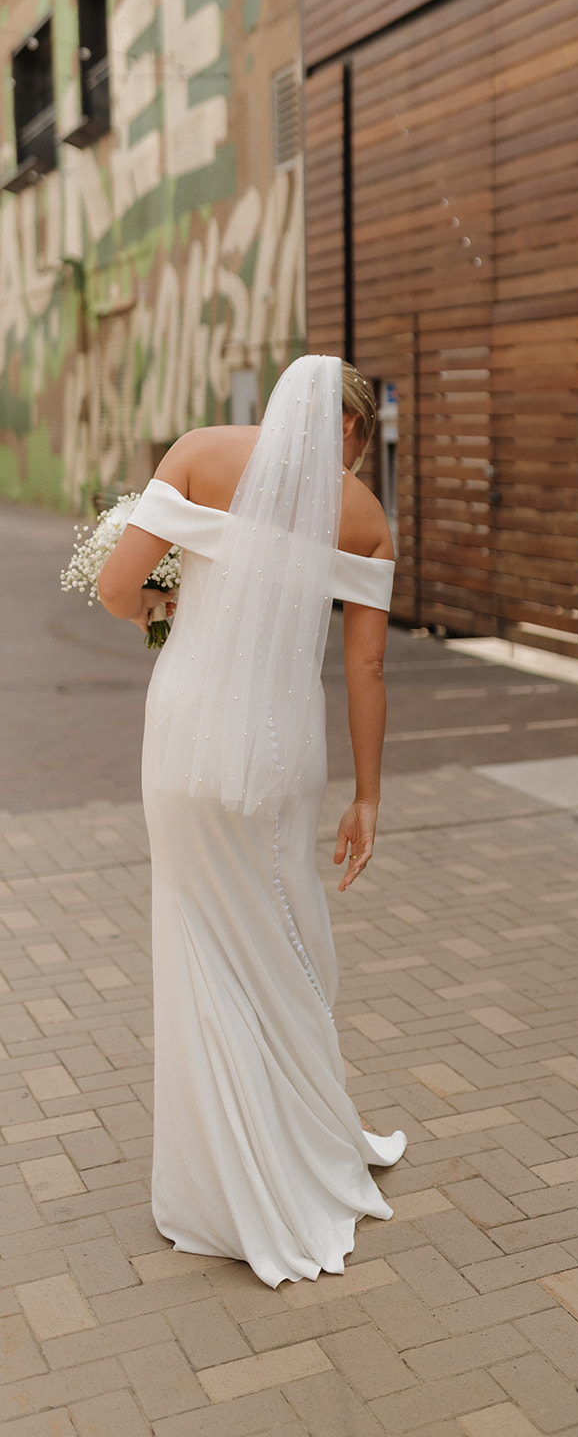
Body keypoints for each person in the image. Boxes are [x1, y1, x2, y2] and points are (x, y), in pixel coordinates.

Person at [97, 355, 407, 1285]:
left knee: (196, 934)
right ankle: (301, 1131)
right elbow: (366, 669)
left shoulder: (197, 452)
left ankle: (222, 1172)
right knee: (284, 930)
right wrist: (368, 795)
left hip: (186, 733)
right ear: (348, 427)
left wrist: (169, 606)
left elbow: (114, 590)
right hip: (282, 749)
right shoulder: (364, 516)